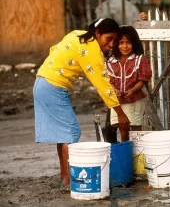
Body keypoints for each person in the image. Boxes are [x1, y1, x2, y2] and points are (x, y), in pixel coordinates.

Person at [33, 18, 130, 189]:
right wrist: (120, 114)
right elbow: (101, 84)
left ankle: (65, 177)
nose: (111, 44)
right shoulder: (91, 49)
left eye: (114, 41)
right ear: (97, 33)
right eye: (109, 39)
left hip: (42, 81)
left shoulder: (76, 35)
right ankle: (70, 181)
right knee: (71, 132)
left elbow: (54, 50)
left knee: (62, 135)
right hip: (53, 86)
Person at [106, 25, 152, 141]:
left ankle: (137, 156)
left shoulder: (140, 59)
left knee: (136, 129)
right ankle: (126, 153)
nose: (124, 46)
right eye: (121, 43)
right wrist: (115, 90)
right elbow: (109, 80)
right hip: (118, 101)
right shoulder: (111, 61)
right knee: (123, 129)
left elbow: (142, 81)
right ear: (116, 44)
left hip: (134, 99)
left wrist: (132, 90)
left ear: (134, 43)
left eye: (128, 43)